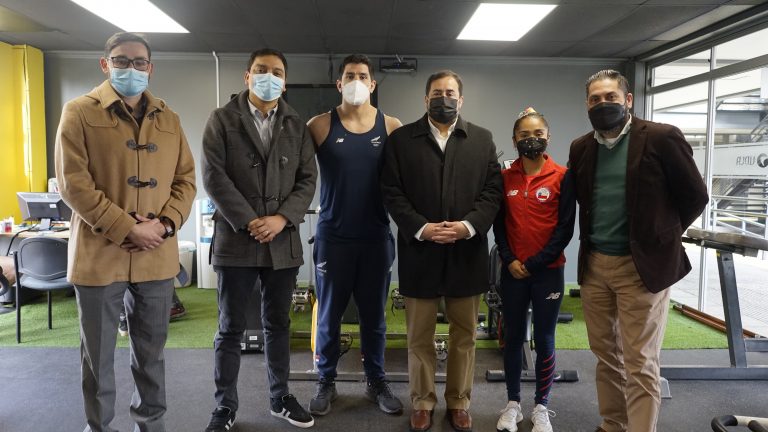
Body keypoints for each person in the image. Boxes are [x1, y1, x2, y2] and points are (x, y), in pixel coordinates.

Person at [54, 32, 196, 432]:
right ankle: (98, 427)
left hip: (157, 254)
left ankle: (152, 425)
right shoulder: (79, 112)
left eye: (139, 62)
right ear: (105, 64)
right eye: (121, 60)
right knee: (96, 357)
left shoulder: (169, 118)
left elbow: (185, 180)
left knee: (151, 355)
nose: (130, 68)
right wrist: (127, 227)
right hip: (99, 257)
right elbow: (73, 184)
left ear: (150, 68)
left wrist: (165, 224)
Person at [568, 70, 708, 432]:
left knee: (640, 360)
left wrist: (661, 236)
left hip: (642, 268)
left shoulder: (661, 138)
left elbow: (695, 195)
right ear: (587, 104)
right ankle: (613, 423)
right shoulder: (581, 147)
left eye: (610, 97)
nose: (603, 104)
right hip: (596, 264)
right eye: (595, 99)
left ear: (628, 100)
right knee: (605, 355)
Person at [201, 48, 317, 432]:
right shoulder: (222, 120)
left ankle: (280, 396)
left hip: (282, 242)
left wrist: (281, 218)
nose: (270, 76)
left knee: (278, 324)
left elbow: (307, 180)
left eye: (277, 71)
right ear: (247, 76)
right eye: (262, 70)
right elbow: (214, 177)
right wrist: (253, 221)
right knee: (231, 326)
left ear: (284, 79)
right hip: (237, 240)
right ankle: (224, 406)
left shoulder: (296, 124)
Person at [381, 70, 503, 432]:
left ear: (461, 99)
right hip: (420, 251)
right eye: (437, 92)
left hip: (467, 253)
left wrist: (466, 227)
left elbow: (492, 192)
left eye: (450, 93)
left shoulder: (482, 139)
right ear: (425, 99)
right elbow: (391, 190)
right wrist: (422, 227)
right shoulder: (402, 140)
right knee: (419, 336)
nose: (444, 98)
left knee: (464, 335)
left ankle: (459, 402)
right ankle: (422, 402)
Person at [306, 54, 403, 417]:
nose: (357, 81)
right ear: (339, 83)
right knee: (329, 314)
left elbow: (407, 181)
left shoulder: (391, 126)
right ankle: (325, 381)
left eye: (363, 75)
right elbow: (296, 173)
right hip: (334, 237)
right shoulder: (318, 125)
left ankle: (376, 380)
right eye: (350, 75)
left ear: (373, 83)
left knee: (374, 317)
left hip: (376, 237)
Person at [492, 108, 575, 432]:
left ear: (548, 136)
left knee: (544, 338)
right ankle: (512, 404)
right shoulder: (504, 178)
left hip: (548, 272)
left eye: (538, 133)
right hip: (512, 271)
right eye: (524, 135)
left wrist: (534, 263)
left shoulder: (562, 176)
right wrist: (510, 258)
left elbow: (564, 229)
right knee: (513, 337)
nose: (532, 139)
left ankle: (542, 406)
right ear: (514, 140)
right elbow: (499, 226)